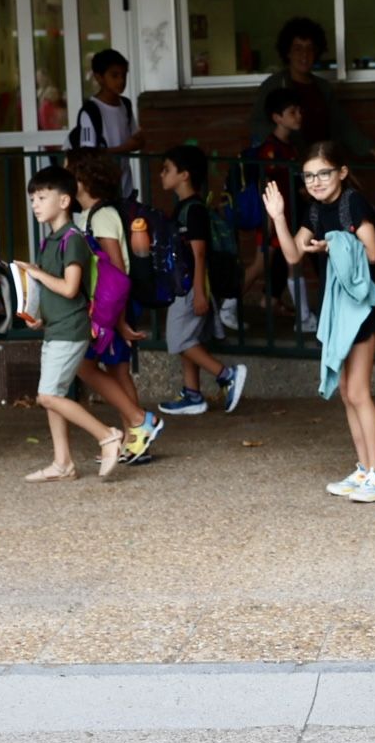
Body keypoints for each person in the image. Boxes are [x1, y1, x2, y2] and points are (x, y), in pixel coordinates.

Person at [263, 142, 375, 504]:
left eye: (323, 173)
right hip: (339, 308)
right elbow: (292, 255)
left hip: (361, 307)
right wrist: (278, 215)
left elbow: (371, 253)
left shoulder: (352, 202)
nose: (316, 181)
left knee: (358, 391)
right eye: (309, 176)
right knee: (345, 391)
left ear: (341, 172)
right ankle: (365, 469)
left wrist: (333, 244)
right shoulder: (314, 211)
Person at [15, 166, 124, 483]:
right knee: (54, 394)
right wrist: (39, 317)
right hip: (56, 326)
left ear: (64, 201)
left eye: (42, 197)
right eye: (33, 198)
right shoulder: (50, 240)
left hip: (71, 329)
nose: (35, 204)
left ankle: (107, 436)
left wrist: (35, 272)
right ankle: (63, 463)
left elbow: (70, 288)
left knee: (48, 396)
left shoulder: (72, 239)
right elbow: (55, 292)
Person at [65, 149, 162, 465]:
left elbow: (116, 272)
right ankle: (137, 438)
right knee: (117, 370)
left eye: (69, 173)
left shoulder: (102, 215)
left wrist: (118, 320)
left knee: (86, 365)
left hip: (109, 307)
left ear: (83, 178)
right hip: (106, 307)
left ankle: (139, 421)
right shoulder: (88, 215)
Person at [155, 146, 248, 417]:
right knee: (188, 338)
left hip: (190, 286)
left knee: (178, 338)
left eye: (167, 169)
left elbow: (199, 253)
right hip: (184, 284)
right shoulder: (185, 208)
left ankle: (226, 374)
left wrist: (198, 292)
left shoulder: (193, 211)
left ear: (184, 175)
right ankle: (192, 394)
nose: (162, 175)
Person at [247, 17, 371, 156]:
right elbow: (258, 125)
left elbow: (343, 124)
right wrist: (282, 149)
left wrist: (366, 148)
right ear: (288, 52)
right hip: (290, 165)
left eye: (310, 49)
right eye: (298, 49)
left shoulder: (323, 88)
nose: (304, 55)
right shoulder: (274, 86)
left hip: (321, 162)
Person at [241, 88, 305, 328]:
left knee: (285, 262)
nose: (298, 116)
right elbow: (265, 182)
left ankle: (274, 302)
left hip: (286, 217)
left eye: (300, 111)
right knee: (261, 265)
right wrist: (268, 219)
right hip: (272, 218)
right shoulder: (270, 149)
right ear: (277, 117)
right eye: (292, 112)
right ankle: (224, 307)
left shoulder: (290, 147)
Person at [70, 49, 143, 199]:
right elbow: (88, 154)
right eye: (114, 75)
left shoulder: (126, 105)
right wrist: (123, 148)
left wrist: (122, 148)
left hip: (125, 186)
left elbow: (139, 139)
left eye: (124, 75)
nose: (121, 81)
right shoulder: (91, 111)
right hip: (101, 190)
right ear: (99, 77)